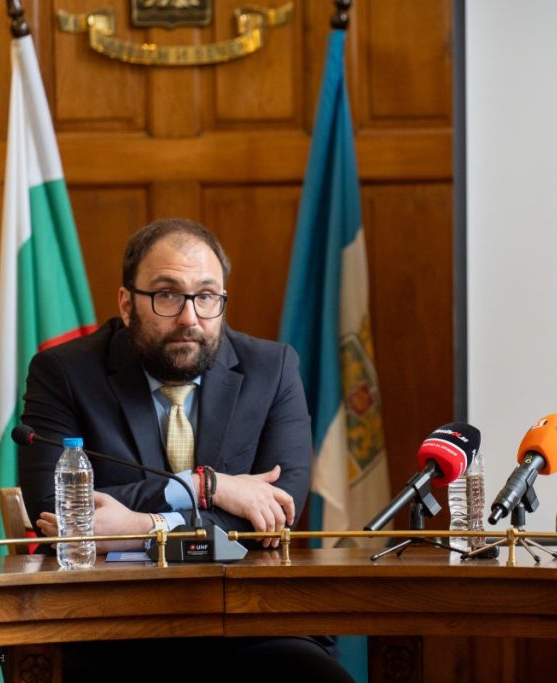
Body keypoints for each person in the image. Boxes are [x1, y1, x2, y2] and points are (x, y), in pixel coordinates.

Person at [19, 217, 352, 681]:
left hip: (249, 620)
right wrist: (204, 487)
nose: (190, 318)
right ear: (127, 304)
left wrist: (144, 527)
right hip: (107, 627)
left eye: (207, 296)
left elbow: (276, 515)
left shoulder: (271, 369)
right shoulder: (64, 373)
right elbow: (59, 511)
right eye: (167, 295)